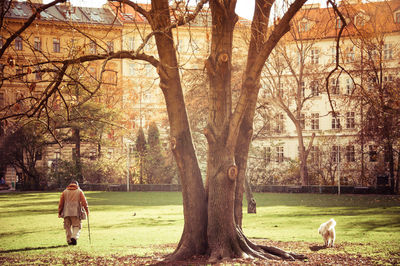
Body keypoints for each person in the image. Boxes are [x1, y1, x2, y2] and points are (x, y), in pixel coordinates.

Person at [58, 180, 89, 245]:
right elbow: (84, 202)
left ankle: (69, 240)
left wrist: (59, 212)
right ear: (77, 185)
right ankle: (74, 237)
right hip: (76, 211)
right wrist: (87, 210)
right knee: (76, 226)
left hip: (66, 211)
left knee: (67, 226)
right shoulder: (79, 191)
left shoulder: (64, 192)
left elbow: (61, 203)